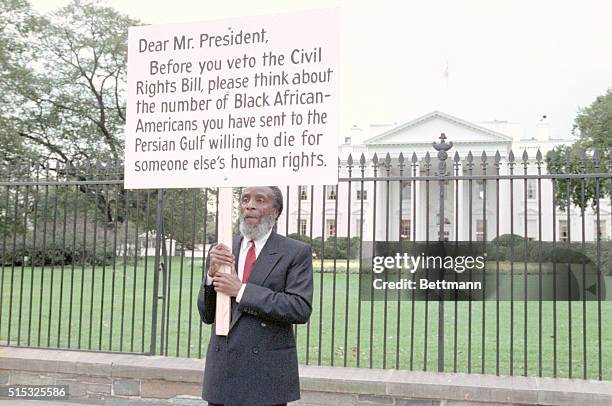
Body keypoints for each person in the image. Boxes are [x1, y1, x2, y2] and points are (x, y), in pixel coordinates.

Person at [197, 186, 313, 406]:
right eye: (245, 200)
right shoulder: (222, 248)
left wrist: (241, 290)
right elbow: (207, 315)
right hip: (222, 375)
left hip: (265, 378)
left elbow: (300, 307)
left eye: (260, 200)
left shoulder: (295, 252)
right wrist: (211, 278)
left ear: (276, 212)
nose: (250, 205)